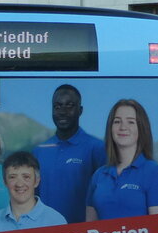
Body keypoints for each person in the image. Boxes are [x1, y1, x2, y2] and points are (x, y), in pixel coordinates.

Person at [86, 98, 158, 220]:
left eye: (131, 122)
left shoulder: (155, 174)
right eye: (117, 122)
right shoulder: (98, 176)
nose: (123, 127)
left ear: (141, 128)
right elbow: (90, 230)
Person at [35, 84, 106, 224]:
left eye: (69, 105)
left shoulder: (97, 148)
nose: (62, 111)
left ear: (80, 110)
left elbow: (105, 198)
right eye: (57, 106)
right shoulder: (39, 151)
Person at [0, 152, 67, 233]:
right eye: (12, 177)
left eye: (26, 177)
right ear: (4, 182)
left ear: (36, 181)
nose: (19, 184)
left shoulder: (56, 221)